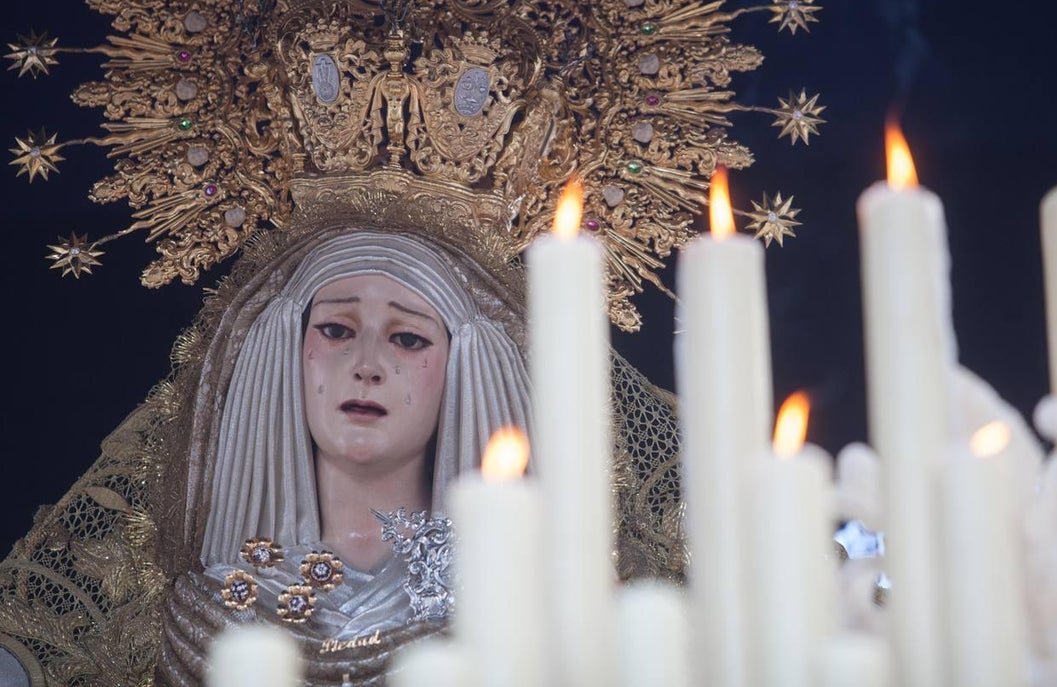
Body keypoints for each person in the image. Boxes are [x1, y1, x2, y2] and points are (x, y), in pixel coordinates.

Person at [0, 204, 685, 686]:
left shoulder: (532, 605)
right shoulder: (196, 610)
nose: (366, 363)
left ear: (466, 369)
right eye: (334, 329)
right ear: (282, 354)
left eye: (408, 337)